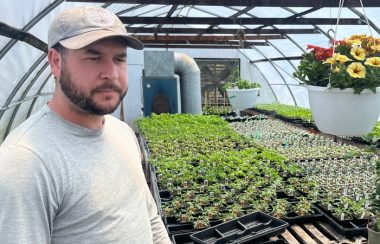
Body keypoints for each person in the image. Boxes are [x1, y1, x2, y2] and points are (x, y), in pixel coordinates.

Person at [0, 6, 171, 243]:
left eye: (119, 59)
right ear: (55, 62)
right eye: (94, 57)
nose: (111, 73)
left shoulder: (123, 133)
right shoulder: (26, 163)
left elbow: (149, 216)